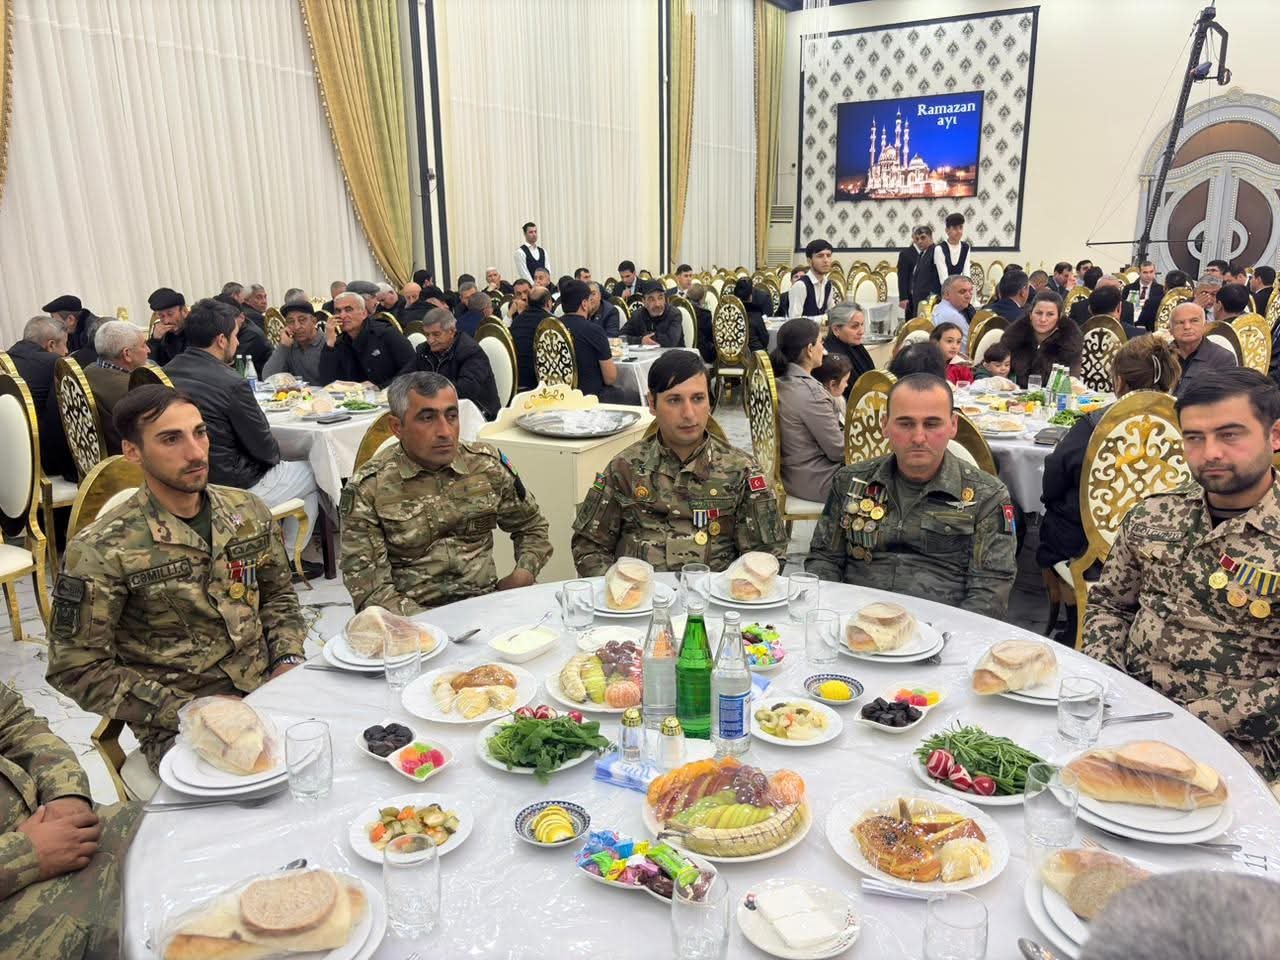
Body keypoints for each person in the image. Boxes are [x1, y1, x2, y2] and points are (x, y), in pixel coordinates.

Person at [46, 386, 307, 771]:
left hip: (271, 690)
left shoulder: (247, 511)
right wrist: (188, 710)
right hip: (181, 725)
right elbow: (74, 667)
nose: (196, 452)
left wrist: (287, 659)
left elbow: (279, 597)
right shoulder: (102, 549)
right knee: (261, 795)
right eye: (171, 439)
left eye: (199, 433)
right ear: (133, 451)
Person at [1083, 368, 1280, 786]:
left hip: (1238, 744)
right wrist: (1107, 680)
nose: (1210, 452)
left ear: (1274, 435)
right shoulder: (1155, 513)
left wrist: (1186, 721)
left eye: (1230, 435)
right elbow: (1109, 604)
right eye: (1194, 437)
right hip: (1122, 715)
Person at [805, 373, 1016, 616]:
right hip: (855, 617)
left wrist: (946, 634)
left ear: (953, 425)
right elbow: (824, 560)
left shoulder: (988, 496)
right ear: (885, 425)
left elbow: (990, 591)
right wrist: (828, 615)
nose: (918, 438)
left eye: (932, 424)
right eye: (905, 424)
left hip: (942, 624)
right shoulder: (851, 481)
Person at [340, 372, 551, 614]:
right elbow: (370, 589)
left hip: (486, 606)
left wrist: (522, 575)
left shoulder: (485, 465)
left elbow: (531, 526)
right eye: (427, 418)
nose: (445, 431)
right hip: (408, 620)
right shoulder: (369, 488)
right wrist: (435, 626)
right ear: (397, 427)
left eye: (451, 416)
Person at [571, 350, 788, 574]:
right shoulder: (625, 468)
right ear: (652, 403)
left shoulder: (741, 470)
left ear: (709, 400)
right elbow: (588, 546)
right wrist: (619, 587)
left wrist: (738, 588)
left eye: (698, 398)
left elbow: (768, 553)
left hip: (716, 593)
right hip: (639, 593)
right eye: (674, 400)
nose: (689, 413)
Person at [1038, 335, 1182, 639]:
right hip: (1167, 549)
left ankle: (1076, 622)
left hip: (1092, 554)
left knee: (1057, 517)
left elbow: (1056, 473)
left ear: (1119, 381)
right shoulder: (1186, 424)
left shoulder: (1098, 424)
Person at [0, 682, 141, 960]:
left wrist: (66, 793)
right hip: (18, 898)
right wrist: (24, 855)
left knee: (187, 837)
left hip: (54, 820)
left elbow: (16, 722)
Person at [164, 301, 320, 542]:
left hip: (180, 480)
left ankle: (277, 547)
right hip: (231, 488)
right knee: (315, 470)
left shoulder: (167, 372)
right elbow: (265, 449)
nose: (237, 343)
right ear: (221, 340)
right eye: (235, 336)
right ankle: (287, 556)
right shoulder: (231, 382)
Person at [773, 318, 844, 503]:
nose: (824, 349)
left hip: (790, 473)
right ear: (810, 349)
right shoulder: (811, 393)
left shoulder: (780, 381)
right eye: (821, 342)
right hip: (817, 479)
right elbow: (838, 451)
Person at [7, 315, 75, 481]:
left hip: (8, 456)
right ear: (51, 345)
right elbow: (59, 418)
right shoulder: (55, 363)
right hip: (41, 461)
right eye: (65, 344)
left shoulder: (6, 360)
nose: (66, 351)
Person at [407, 308, 501, 420]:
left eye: (436, 334)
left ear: (451, 331)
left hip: (476, 413)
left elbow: (467, 389)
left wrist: (425, 391)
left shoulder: (470, 351)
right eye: (427, 335)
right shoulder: (424, 350)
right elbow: (405, 377)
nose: (430, 340)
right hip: (438, 408)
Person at [554, 280, 638, 405]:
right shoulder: (594, 330)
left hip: (558, 397)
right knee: (636, 396)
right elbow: (610, 378)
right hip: (590, 399)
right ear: (584, 304)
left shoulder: (552, 328)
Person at [318, 290, 416, 387]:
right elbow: (327, 382)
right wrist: (330, 343)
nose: (342, 316)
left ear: (364, 314)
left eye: (348, 310)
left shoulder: (385, 334)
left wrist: (379, 387)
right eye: (338, 311)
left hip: (391, 393)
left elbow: (413, 371)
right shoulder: (340, 341)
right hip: (355, 396)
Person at [85, 320, 151, 454]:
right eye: (144, 345)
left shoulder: (87, 371)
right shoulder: (134, 391)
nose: (149, 350)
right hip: (129, 457)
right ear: (127, 354)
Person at [1001, 291, 1083, 387]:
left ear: (1059, 317)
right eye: (1039, 313)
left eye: (1050, 314)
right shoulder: (1013, 337)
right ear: (1030, 315)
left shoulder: (1070, 342)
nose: (1043, 319)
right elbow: (992, 367)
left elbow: (1072, 380)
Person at [1168, 302, 1236, 397]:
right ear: (1170, 329)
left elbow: (1224, 398)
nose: (1187, 327)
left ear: (1205, 326)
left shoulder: (1222, 358)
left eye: (1194, 321)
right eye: (1180, 322)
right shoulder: (1158, 355)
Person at [262, 301, 324, 385]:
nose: (297, 326)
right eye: (291, 321)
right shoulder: (289, 344)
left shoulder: (327, 343)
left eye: (302, 320)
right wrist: (283, 347)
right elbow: (267, 377)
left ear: (314, 321)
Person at [823, 301, 875, 397]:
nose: (861, 331)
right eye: (855, 326)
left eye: (862, 324)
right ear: (836, 329)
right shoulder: (831, 358)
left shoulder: (856, 346)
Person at [916, 213, 969, 305]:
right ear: (947, 230)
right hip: (940, 295)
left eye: (961, 228)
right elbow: (944, 281)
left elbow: (966, 275)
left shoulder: (966, 247)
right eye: (955, 228)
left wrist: (966, 292)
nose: (959, 231)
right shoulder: (939, 249)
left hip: (958, 293)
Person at [511, 286, 552, 391]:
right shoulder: (551, 323)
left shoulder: (516, 321)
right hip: (542, 385)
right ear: (548, 303)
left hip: (517, 381)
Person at [621, 280, 684, 347]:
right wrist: (640, 340)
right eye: (651, 299)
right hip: (646, 353)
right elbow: (620, 337)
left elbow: (670, 342)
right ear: (644, 301)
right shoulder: (637, 315)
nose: (657, 304)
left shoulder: (674, 314)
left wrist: (646, 337)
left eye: (660, 298)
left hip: (674, 353)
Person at [787, 238, 835, 318]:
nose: (826, 260)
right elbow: (794, 319)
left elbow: (832, 313)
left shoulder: (828, 284)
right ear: (809, 261)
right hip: (802, 327)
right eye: (820, 256)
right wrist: (822, 319)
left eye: (828, 255)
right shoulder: (800, 285)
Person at [145, 287, 188, 365]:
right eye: (161, 316)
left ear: (184, 311)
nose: (166, 321)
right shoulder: (163, 334)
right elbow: (150, 365)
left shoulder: (197, 330)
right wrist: (155, 341)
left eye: (170, 314)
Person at [896, 226, 932, 318]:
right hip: (910, 297)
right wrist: (903, 298)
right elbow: (902, 278)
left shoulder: (929, 252)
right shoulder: (905, 254)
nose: (919, 240)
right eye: (917, 236)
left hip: (926, 295)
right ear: (913, 237)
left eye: (922, 237)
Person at [732, 277, 771, 353]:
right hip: (754, 354)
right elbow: (765, 340)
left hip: (735, 353)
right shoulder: (756, 315)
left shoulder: (730, 313)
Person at [930, 321, 973, 386]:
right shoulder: (926, 363)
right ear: (936, 342)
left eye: (958, 342)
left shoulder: (962, 366)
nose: (954, 346)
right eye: (949, 341)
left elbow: (969, 389)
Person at [812, 353, 852, 418]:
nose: (846, 385)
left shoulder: (838, 400)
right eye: (845, 381)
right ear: (832, 384)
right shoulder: (825, 411)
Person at [688, 284, 716, 363]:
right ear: (702, 297)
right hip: (701, 352)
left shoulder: (682, 307)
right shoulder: (704, 313)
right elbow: (710, 336)